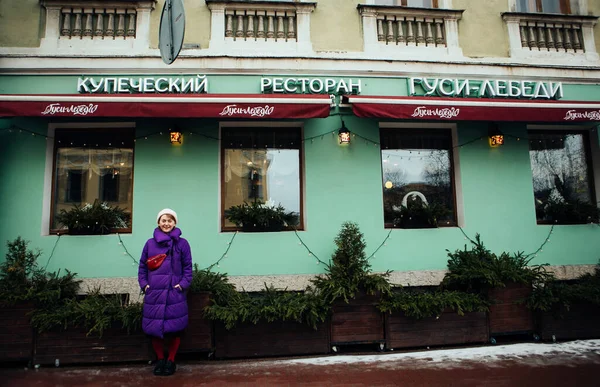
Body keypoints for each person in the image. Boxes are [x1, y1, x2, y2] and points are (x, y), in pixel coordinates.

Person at [138, 208, 193, 376]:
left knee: (175, 329)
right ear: (158, 223)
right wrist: (145, 285)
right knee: (154, 329)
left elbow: (188, 268)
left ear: (175, 223)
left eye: (170, 220)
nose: (166, 223)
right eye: (163, 220)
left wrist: (182, 285)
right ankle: (160, 360)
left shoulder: (182, 244)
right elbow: (142, 267)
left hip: (174, 294)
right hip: (154, 294)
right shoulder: (150, 243)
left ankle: (171, 361)